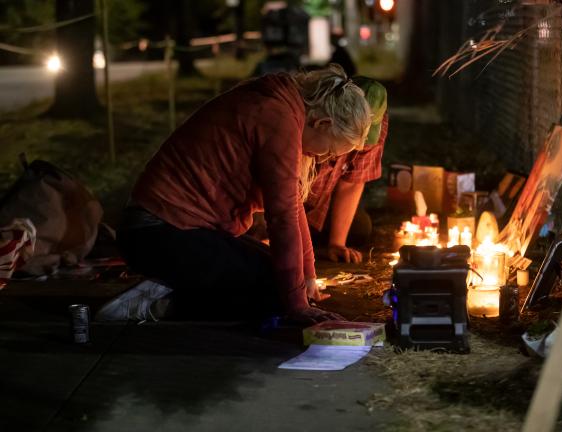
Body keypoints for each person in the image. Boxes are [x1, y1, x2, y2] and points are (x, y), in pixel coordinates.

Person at [98, 65, 372, 324]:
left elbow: (292, 204)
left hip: (169, 229)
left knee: (279, 275)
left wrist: (307, 275)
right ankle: (159, 304)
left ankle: (168, 285)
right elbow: (282, 217)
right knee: (276, 293)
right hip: (158, 234)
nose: (322, 157)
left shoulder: (284, 106)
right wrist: (298, 305)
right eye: (329, 151)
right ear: (322, 123)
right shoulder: (278, 117)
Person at [305, 77, 388, 263]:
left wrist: (337, 243)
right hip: (291, 199)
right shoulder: (312, 124)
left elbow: (353, 182)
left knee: (359, 228)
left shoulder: (378, 127)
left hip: (320, 204)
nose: (358, 147)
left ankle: (310, 241)